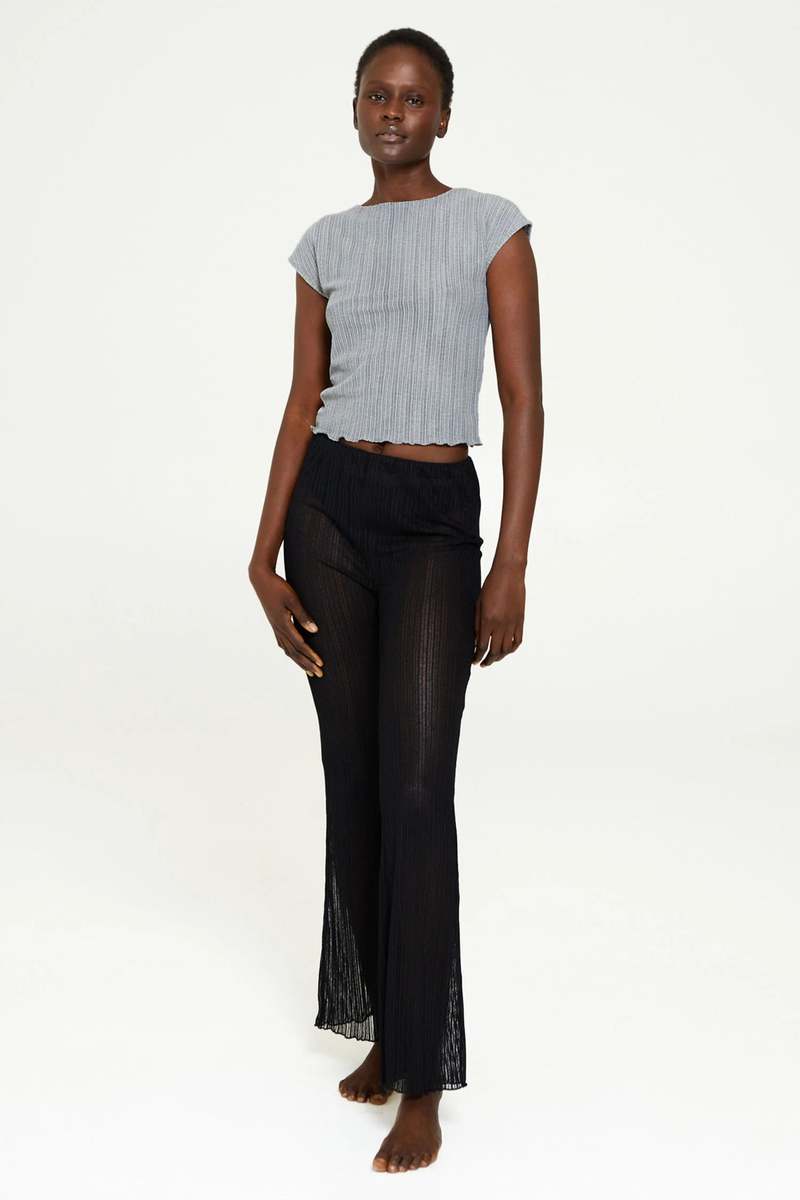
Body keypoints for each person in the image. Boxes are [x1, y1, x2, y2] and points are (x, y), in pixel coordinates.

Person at [248, 26, 543, 1173]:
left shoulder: (490, 226)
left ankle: (421, 1076)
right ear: (354, 108)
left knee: (418, 790)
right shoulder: (323, 244)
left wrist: (507, 562)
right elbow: (299, 402)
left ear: (443, 116)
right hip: (328, 511)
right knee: (357, 783)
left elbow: (521, 399)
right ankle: (381, 1026)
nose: (391, 112)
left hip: (430, 520)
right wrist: (262, 558)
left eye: (412, 98)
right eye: (375, 94)